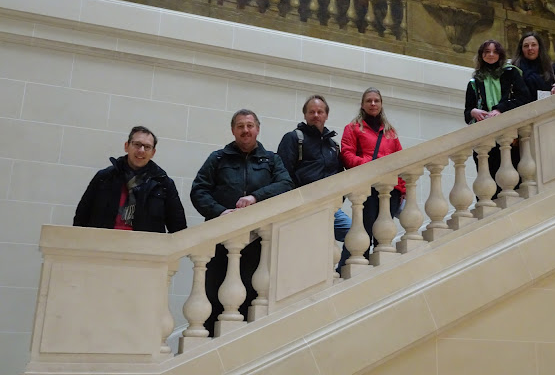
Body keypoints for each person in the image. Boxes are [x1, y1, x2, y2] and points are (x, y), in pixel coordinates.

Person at [190, 109, 294, 336]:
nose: (245, 130)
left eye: (249, 125)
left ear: (257, 129)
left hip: (257, 243)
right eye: (240, 126)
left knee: (251, 296)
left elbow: (286, 184)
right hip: (219, 241)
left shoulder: (272, 159)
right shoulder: (217, 158)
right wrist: (219, 213)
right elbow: (198, 191)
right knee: (213, 293)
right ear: (233, 130)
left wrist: (255, 197)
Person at [277, 95, 351, 269]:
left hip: (330, 208)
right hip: (303, 207)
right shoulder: (294, 138)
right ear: (305, 115)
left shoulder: (333, 145)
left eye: (320, 111)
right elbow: (283, 173)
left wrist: (338, 201)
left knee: (354, 233)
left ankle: (341, 273)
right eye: (312, 112)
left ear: (326, 115)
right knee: (307, 251)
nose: (316, 115)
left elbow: (340, 176)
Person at [74, 126, 187, 233]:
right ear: (126, 146)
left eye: (147, 147)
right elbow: (82, 216)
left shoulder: (164, 183)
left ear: (153, 153)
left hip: (145, 249)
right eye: (137, 144)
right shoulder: (104, 177)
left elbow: (178, 226)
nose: (141, 150)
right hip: (103, 245)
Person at [341, 88, 405, 258]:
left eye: (376, 100)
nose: (373, 104)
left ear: (381, 104)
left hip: (390, 190)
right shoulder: (353, 128)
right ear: (362, 105)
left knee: (383, 237)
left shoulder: (390, 132)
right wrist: (370, 165)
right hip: (367, 188)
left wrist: (403, 188)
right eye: (369, 100)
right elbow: (347, 155)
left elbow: (401, 160)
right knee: (364, 232)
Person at [464, 40, 531, 197]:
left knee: (511, 173)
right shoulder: (475, 81)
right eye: (487, 52)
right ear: (482, 55)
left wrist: (500, 109)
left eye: (494, 52)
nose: (491, 55)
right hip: (485, 134)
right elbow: (467, 113)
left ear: (500, 55)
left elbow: (523, 98)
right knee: (487, 174)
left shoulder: (511, 72)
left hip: (509, 131)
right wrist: (474, 112)